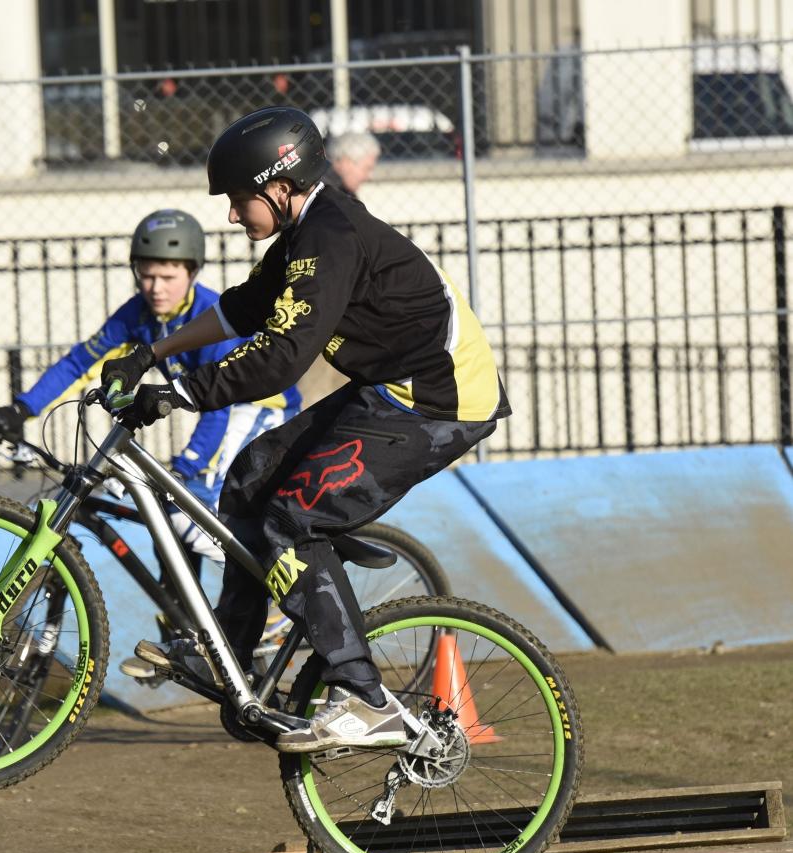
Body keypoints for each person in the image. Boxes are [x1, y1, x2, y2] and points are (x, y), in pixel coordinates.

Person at [99, 106, 509, 754]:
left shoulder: (330, 235)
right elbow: (242, 309)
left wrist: (179, 392)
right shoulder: (303, 232)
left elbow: (281, 356)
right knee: (247, 478)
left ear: (279, 186)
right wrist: (151, 355)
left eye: (238, 200)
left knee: (290, 521)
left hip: (436, 404)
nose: (233, 216)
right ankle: (236, 666)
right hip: (385, 391)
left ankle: (364, 698)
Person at [0, 209, 302, 665]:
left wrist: (185, 466)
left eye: (168, 276)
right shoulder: (137, 315)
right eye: (146, 276)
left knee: (188, 507)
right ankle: (188, 630)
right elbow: (78, 361)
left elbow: (221, 407)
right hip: (218, 410)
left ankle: (273, 602)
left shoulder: (209, 315)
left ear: (192, 272)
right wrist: (21, 408)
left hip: (258, 408)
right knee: (171, 514)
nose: (155, 288)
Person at [323, 130, 381, 196]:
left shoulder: (341, 191)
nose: (369, 177)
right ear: (346, 162)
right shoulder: (328, 195)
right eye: (367, 169)